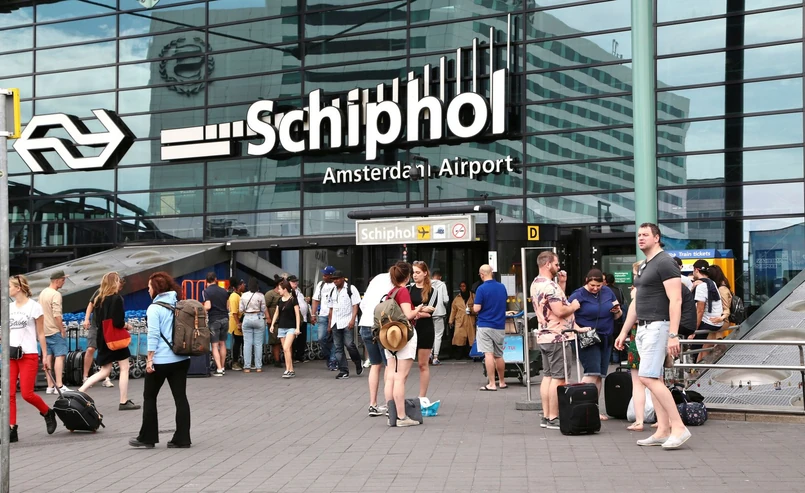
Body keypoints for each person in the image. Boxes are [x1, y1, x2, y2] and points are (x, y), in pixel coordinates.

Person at [615, 223, 691, 449]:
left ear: (657, 238)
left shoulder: (665, 262)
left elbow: (676, 299)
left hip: (658, 326)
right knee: (653, 379)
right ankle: (663, 430)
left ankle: (678, 427)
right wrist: (624, 331)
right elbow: (636, 303)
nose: (640, 238)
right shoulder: (645, 265)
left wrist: (673, 334)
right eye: (639, 235)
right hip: (644, 327)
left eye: (645, 235)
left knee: (647, 378)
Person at [129, 272, 191, 449]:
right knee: (180, 397)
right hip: (181, 358)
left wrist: (149, 360)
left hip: (161, 361)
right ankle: (182, 438)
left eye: (149, 287)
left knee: (150, 397)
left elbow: (153, 335)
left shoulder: (154, 308)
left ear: (156, 289)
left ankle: (147, 437)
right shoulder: (179, 304)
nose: (148, 290)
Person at [531, 251, 580, 430]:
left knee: (548, 376)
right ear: (548, 264)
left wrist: (562, 284)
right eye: (556, 264)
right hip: (558, 336)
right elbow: (559, 311)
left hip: (545, 336)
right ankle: (553, 417)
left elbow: (552, 305)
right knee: (559, 378)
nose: (559, 268)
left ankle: (546, 416)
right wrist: (573, 306)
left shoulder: (536, 283)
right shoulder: (550, 286)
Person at [6, 275, 57, 442]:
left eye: (9, 286)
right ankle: (11, 429)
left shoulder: (34, 307)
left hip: (28, 354)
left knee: (27, 394)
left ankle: (47, 412)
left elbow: (40, 333)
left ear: (18, 288)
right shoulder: (8, 307)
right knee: (9, 393)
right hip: (11, 355)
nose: (7, 290)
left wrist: (45, 355)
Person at [79, 272, 140, 411]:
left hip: (102, 337)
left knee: (105, 370)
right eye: (118, 281)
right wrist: (127, 326)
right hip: (116, 339)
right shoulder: (117, 299)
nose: (119, 283)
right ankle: (123, 401)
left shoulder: (99, 298)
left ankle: (81, 390)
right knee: (124, 367)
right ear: (114, 282)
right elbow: (117, 322)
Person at [568, 269, 622, 421]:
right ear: (586, 281)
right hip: (588, 337)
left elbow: (618, 315)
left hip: (606, 336)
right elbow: (567, 315)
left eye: (599, 285)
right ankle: (575, 404)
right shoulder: (578, 294)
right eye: (592, 285)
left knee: (599, 376)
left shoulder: (608, 292)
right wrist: (578, 329)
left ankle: (592, 409)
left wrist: (617, 311)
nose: (596, 288)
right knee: (591, 373)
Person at [383, 262, 422, 427]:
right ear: (407, 276)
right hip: (404, 337)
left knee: (391, 376)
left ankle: (391, 415)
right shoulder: (403, 291)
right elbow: (408, 315)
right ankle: (401, 417)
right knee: (401, 377)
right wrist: (418, 309)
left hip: (389, 337)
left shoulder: (390, 293)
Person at [359, 267, 396, 417]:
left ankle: (372, 404)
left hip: (365, 324)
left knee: (375, 364)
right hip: (382, 326)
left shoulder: (377, 278)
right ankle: (389, 404)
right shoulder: (396, 283)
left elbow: (363, 304)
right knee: (389, 364)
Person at [474, 264, 509, 392]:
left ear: (482, 274)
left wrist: (473, 308)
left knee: (488, 354)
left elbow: (477, 308)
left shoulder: (481, 289)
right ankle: (502, 382)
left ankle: (492, 383)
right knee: (499, 355)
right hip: (499, 325)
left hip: (485, 325)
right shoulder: (502, 287)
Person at [327, 271, 363, 379]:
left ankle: (357, 361)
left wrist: (353, 320)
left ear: (343, 278)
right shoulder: (332, 290)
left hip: (347, 321)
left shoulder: (351, 289)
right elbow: (331, 308)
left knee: (349, 344)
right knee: (338, 347)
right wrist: (329, 324)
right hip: (335, 322)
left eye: (337, 279)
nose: (335, 281)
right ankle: (343, 371)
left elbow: (355, 305)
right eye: (334, 279)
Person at [40, 270, 71, 393]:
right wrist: (62, 329)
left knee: (48, 356)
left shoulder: (43, 293)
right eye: (63, 280)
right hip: (54, 329)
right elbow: (57, 314)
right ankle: (59, 385)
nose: (64, 282)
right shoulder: (56, 294)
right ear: (57, 281)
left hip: (44, 330)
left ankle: (50, 386)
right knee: (60, 356)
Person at [690, 259, 725, 362]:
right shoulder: (711, 282)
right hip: (717, 322)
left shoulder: (701, 286)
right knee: (702, 346)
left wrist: (693, 331)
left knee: (692, 344)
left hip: (709, 322)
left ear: (696, 270)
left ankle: (692, 365)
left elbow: (700, 310)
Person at [410, 261, 436, 398]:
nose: (415, 275)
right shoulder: (408, 289)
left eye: (418, 272)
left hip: (425, 329)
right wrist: (421, 309)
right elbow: (405, 309)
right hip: (410, 329)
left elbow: (430, 311)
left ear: (425, 273)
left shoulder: (432, 290)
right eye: (413, 272)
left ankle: (422, 397)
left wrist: (415, 311)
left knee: (422, 364)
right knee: (405, 364)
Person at [82, 289, 115, 388]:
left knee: (106, 350)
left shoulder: (115, 294)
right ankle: (85, 377)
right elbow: (90, 304)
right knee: (90, 349)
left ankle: (106, 377)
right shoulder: (99, 291)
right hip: (95, 325)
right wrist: (86, 319)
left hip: (107, 325)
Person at [269, 280, 301, 378]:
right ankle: (290, 369)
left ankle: (288, 370)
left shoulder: (293, 300)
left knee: (286, 348)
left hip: (291, 327)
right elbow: (276, 313)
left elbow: (297, 314)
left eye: (280, 289)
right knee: (286, 349)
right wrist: (272, 324)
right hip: (281, 327)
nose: (278, 291)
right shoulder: (280, 300)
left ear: (285, 289)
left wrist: (297, 328)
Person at [203, 272, 230, 377]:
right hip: (225, 319)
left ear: (206, 281)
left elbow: (208, 306)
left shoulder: (206, 291)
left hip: (214, 320)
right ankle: (222, 367)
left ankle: (218, 369)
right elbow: (228, 307)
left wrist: (200, 308)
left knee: (214, 345)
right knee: (222, 343)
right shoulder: (224, 291)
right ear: (216, 279)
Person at [239, 278, 269, 373]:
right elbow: (263, 308)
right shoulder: (261, 296)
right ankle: (258, 367)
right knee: (258, 344)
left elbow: (240, 309)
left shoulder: (244, 295)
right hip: (258, 318)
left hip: (247, 318)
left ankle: (247, 367)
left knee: (247, 343)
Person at [311, 266, 337, 371]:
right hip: (323, 315)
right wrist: (313, 314)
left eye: (325, 275)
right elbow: (315, 299)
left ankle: (333, 360)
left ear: (331, 275)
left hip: (335, 315)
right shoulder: (321, 284)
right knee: (321, 338)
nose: (323, 276)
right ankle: (329, 356)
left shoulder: (336, 284)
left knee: (334, 338)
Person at [449, 281, 476, 358]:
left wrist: (471, 310)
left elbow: (477, 307)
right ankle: (459, 355)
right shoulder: (457, 298)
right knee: (459, 338)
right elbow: (453, 310)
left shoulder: (473, 296)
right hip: (460, 320)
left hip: (470, 319)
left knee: (471, 338)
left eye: (464, 286)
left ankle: (471, 354)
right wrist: (451, 321)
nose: (462, 288)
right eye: (461, 286)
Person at [429, 269, 450, 365]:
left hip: (429, 312)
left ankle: (429, 353)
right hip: (440, 312)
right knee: (438, 335)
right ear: (440, 277)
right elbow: (446, 299)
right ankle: (435, 357)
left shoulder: (428, 284)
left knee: (430, 334)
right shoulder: (442, 285)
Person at [288, 275, 310, 364]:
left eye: (296, 281)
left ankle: (300, 355)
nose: (295, 283)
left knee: (302, 338)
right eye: (293, 282)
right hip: (295, 318)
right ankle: (293, 356)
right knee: (293, 338)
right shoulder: (288, 292)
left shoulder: (299, 291)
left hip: (303, 318)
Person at [228, 278, 246, 371]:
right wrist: (238, 324)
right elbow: (234, 313)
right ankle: (235, 362)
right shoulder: (234, 296)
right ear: (239, 286)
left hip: (242, 321)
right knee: (238, 342)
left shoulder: (242, 294)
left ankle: (243, 361)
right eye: (243, 284)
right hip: (236, 323)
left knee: (243, 342)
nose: (244, 285)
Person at [265, 277, 283, 368]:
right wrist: (268, 317)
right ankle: (277, 360)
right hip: (273, 320)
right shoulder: (270, 294)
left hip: (283, 319)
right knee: (275, 341)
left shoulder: (285, 293)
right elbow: (265, 306)